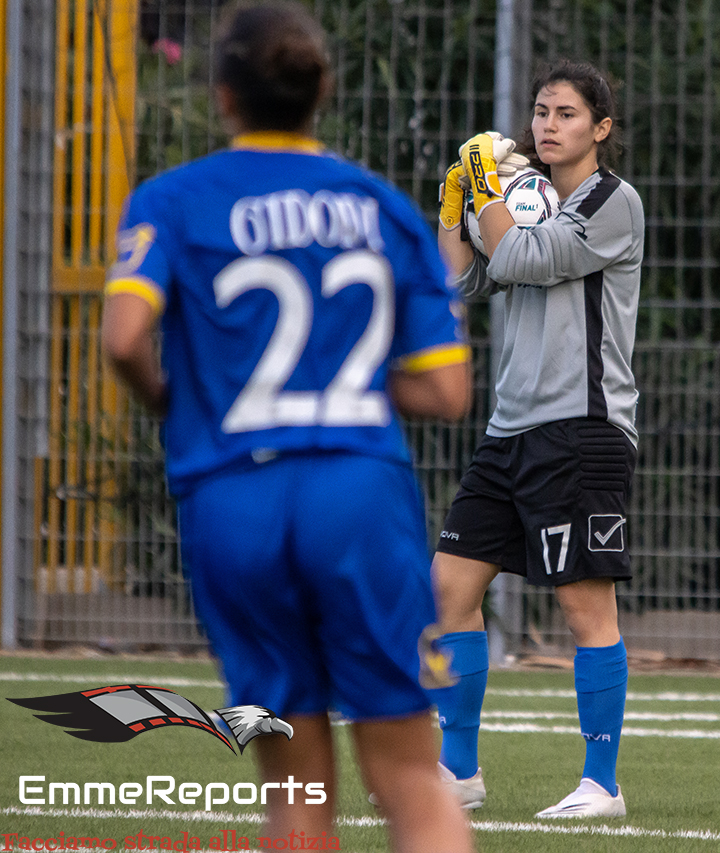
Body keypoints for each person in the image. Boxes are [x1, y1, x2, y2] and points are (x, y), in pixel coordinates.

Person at [100, 3, 476, 851]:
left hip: (231, 495)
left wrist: (178, 397)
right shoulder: (380, 205)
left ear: (222, 94)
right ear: (323, 90)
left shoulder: (173, 197)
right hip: (355, 488)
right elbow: (448, 390)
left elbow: (123, 338)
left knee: (299, 797)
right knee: (412, 778)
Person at [431, 58, 644, 819]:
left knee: (585, 609)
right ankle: (458, 771)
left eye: (566, 114)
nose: (548, 125)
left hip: (581, 428)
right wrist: (457, 201)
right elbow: (454, 282)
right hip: (508, 431)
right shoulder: (521, 197)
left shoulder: (614, 202)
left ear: (601, 129)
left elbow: (520, 256)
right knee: (448, 590)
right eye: (541, 112)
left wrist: (488, 192)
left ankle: (602, 783)